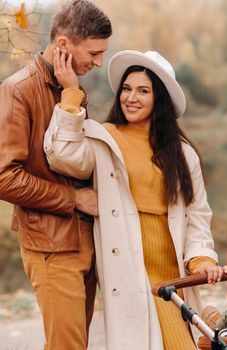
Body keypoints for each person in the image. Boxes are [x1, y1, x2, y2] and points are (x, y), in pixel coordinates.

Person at [44, 49, 225, 350]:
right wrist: (71, 94)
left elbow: (197, 216)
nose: (131, 98)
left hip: (173, 277)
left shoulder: (182, 154)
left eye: (143, 91)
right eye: (127, 89)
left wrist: (202, 258)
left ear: (160, 99)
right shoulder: (105, 138)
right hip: (128, 270)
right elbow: (62, 156)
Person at [0, 1, 112, 349]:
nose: (98, 63)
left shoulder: (70, 86)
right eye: (93, 52)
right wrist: (74, 198)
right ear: (63, 45)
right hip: (51, 245)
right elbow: (4, 176)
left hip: (84, 240)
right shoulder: (18, 89)